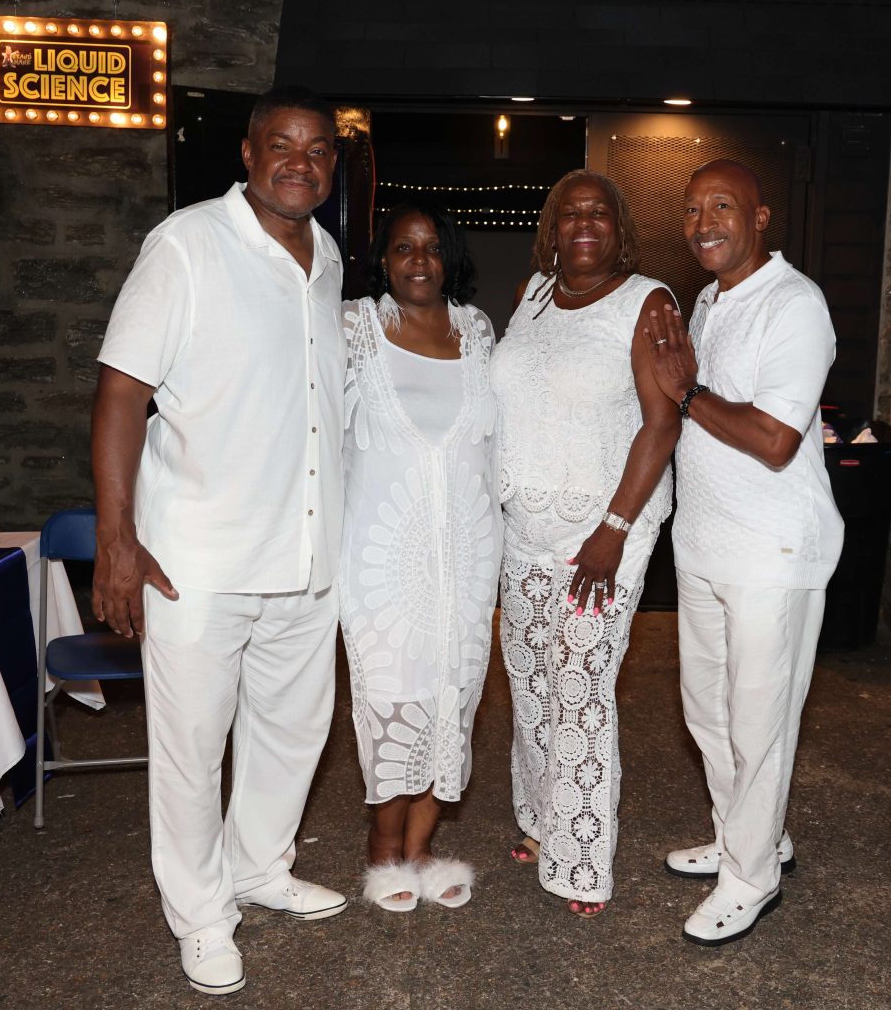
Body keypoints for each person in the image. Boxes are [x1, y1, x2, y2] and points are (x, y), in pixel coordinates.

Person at [91, 86, 348, 996]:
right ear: (246, 153)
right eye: (281, 145)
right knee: (193, 748)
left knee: (291, 733)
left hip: (307, 553)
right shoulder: (187, 244)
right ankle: (201, 915)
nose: (299, 163)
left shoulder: (327, 260)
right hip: (197, 556)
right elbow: (123, 391)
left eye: (317, 149)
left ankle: (259, 868)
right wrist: (117, 542)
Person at [644, 158, 843, 946]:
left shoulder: (794, 304)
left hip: (772, 550)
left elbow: (772, 439)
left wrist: (686, 392)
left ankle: (750, 877)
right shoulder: (706, 298)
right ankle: (748, 836)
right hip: (704, 546)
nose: (703, 224)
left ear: (761, 217)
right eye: (691, 210)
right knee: (709, 714)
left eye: (721, 207)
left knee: (759, 721)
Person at [490, 170, 680, 916]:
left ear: (619, 226)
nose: (583, 223)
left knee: (579, 692)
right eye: (569, 213)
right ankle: (540, 822)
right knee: (531, 686)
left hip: (602, 535)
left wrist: (613, 527)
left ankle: (579, 857)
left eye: (598, 212)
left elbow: (661, 424)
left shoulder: (647, 301)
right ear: (551, 226)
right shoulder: (532, 295)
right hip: (523, 531)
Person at [340, 200, 502, 911]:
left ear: (449, 260)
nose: (417, 260)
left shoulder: (477, 330)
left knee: (453, 697)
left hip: (466, 554)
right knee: (388, 695)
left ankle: (423, 850)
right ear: (382, 258)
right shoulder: (352, 328)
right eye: (403, 247)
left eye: (431, 248)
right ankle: (382, 855)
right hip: (378, 557)